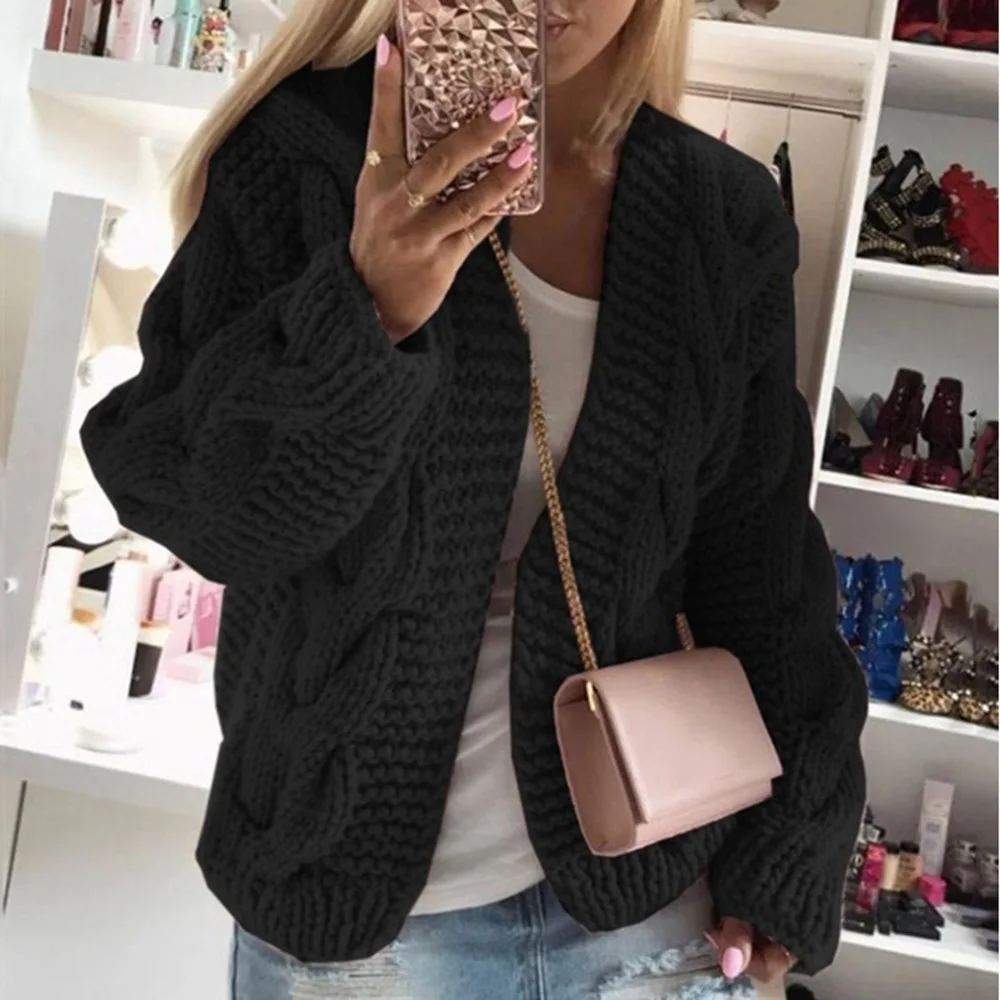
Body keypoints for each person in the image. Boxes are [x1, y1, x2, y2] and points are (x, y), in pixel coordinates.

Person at [80, 0, 867, 997]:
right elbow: (199, 504)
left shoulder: (719, 214)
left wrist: (793, 847)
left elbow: (763, 565)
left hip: (651, 905)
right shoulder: (297, 153)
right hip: (355, 927)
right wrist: (365, 307)